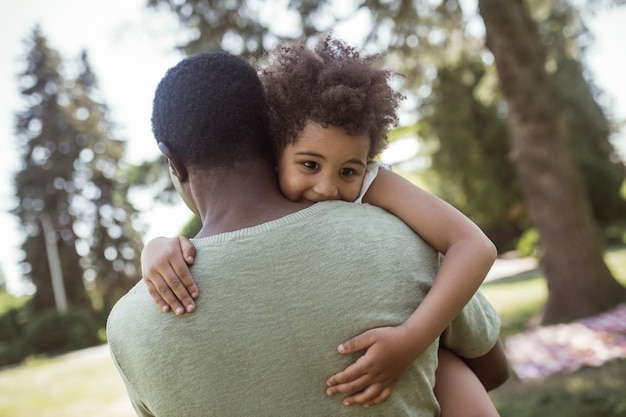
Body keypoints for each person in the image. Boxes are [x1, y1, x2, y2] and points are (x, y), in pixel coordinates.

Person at [107, 50, 506, 416]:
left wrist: (412, 339)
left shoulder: (130, 325)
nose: (328, 189)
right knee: (448, 362)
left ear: (172, 161)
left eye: (348, 171)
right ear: (274, 140)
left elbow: (472, 245)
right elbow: (494, 368)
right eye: (310, 165)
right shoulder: (404, 239)